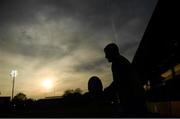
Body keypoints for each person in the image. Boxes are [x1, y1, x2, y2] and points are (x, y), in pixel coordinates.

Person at [103, 43, 147, 117]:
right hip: (136, 98)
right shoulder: (121, 61)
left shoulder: (117, 63)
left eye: (107, 53)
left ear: (112, 52)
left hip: (133, 100)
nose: (106, 56)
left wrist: (107, 91)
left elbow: (119, 82)